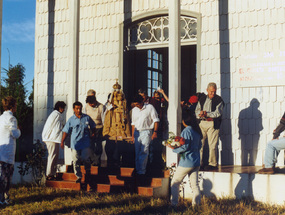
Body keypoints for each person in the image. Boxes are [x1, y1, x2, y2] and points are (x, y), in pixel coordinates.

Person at [170, 112, 202, 207]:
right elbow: (199, 146)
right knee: (195, 185)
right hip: (196, 161)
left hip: (186, 162)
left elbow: (185, 147)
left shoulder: (186, 131)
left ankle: (174, 204)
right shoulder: (197, 131)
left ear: (184, 121)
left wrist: (174, 149)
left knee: (175, 183)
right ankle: (196, 205)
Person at [61, 101, 96, 183]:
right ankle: (79, 176)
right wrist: (62, 141)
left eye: (80, 108)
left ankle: (88, 174)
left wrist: (93, 133)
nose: (79, 110)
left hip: (85, 143)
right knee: (75, 160)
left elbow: (93, 126)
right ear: (74, 109)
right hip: (75, 144)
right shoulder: (71, 120)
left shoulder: (87, 118)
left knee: (86, 159)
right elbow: (66, 131)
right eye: (77, 109)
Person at [195, 82, 224, 170]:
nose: (213, 93)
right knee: (200, 144)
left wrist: (206, 114)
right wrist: (199, 114)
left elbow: (218, 113)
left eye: (214, 92)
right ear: (207, 90)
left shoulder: (219, 100)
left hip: (212, 123)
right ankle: (198, 163)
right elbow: (197, 110)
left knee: (212, 145)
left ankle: (212, 163)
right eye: (211, 91)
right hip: (202, 123)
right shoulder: (202, 99)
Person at [131, 94, 159, 176]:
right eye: (135, 105)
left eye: (138, 104)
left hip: (146, 131)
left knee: (144, 151)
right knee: (137, 152)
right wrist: (133, 135)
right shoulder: (134, 110)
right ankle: (137, 170)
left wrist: (155, 132)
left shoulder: (149, 107)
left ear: (142, 101)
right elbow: (133, 123)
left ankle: (142, 172)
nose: (137, 106)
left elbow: (156, 120)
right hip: (137, 132)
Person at [0, 96, 21, 205]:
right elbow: (15, 134)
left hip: (1, 150)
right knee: (6, 176)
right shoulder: (12, 118)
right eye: (16, 105)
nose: (16, 106)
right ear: (12, 106)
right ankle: (3, 199)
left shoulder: (1, 117)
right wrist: (18, 129)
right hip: (8, 152)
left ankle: (3, 197)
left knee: (2, 175)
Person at [42, 101, 66, 180]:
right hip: (51, 139)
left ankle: (52, 173)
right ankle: (49, 175)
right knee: (52, 156)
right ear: (60, 108)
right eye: (63, 108)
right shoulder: (56, 115)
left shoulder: (56, 115)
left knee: (54, 156)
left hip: (53, 139)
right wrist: (46, 137)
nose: (64, 110)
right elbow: (51, 126)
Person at [84, 95, 104, 166]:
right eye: (89, 104)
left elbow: (103, 118)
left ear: (95, 101)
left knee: (98, 145)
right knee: (90, 145)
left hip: (98, 127)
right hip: (89, 128)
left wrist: (103, 129)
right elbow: (85, 117)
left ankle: (97, 160)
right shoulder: (86, 106)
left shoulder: (101, 106)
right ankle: (91, 160)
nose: (90, 105)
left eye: (91, 103)